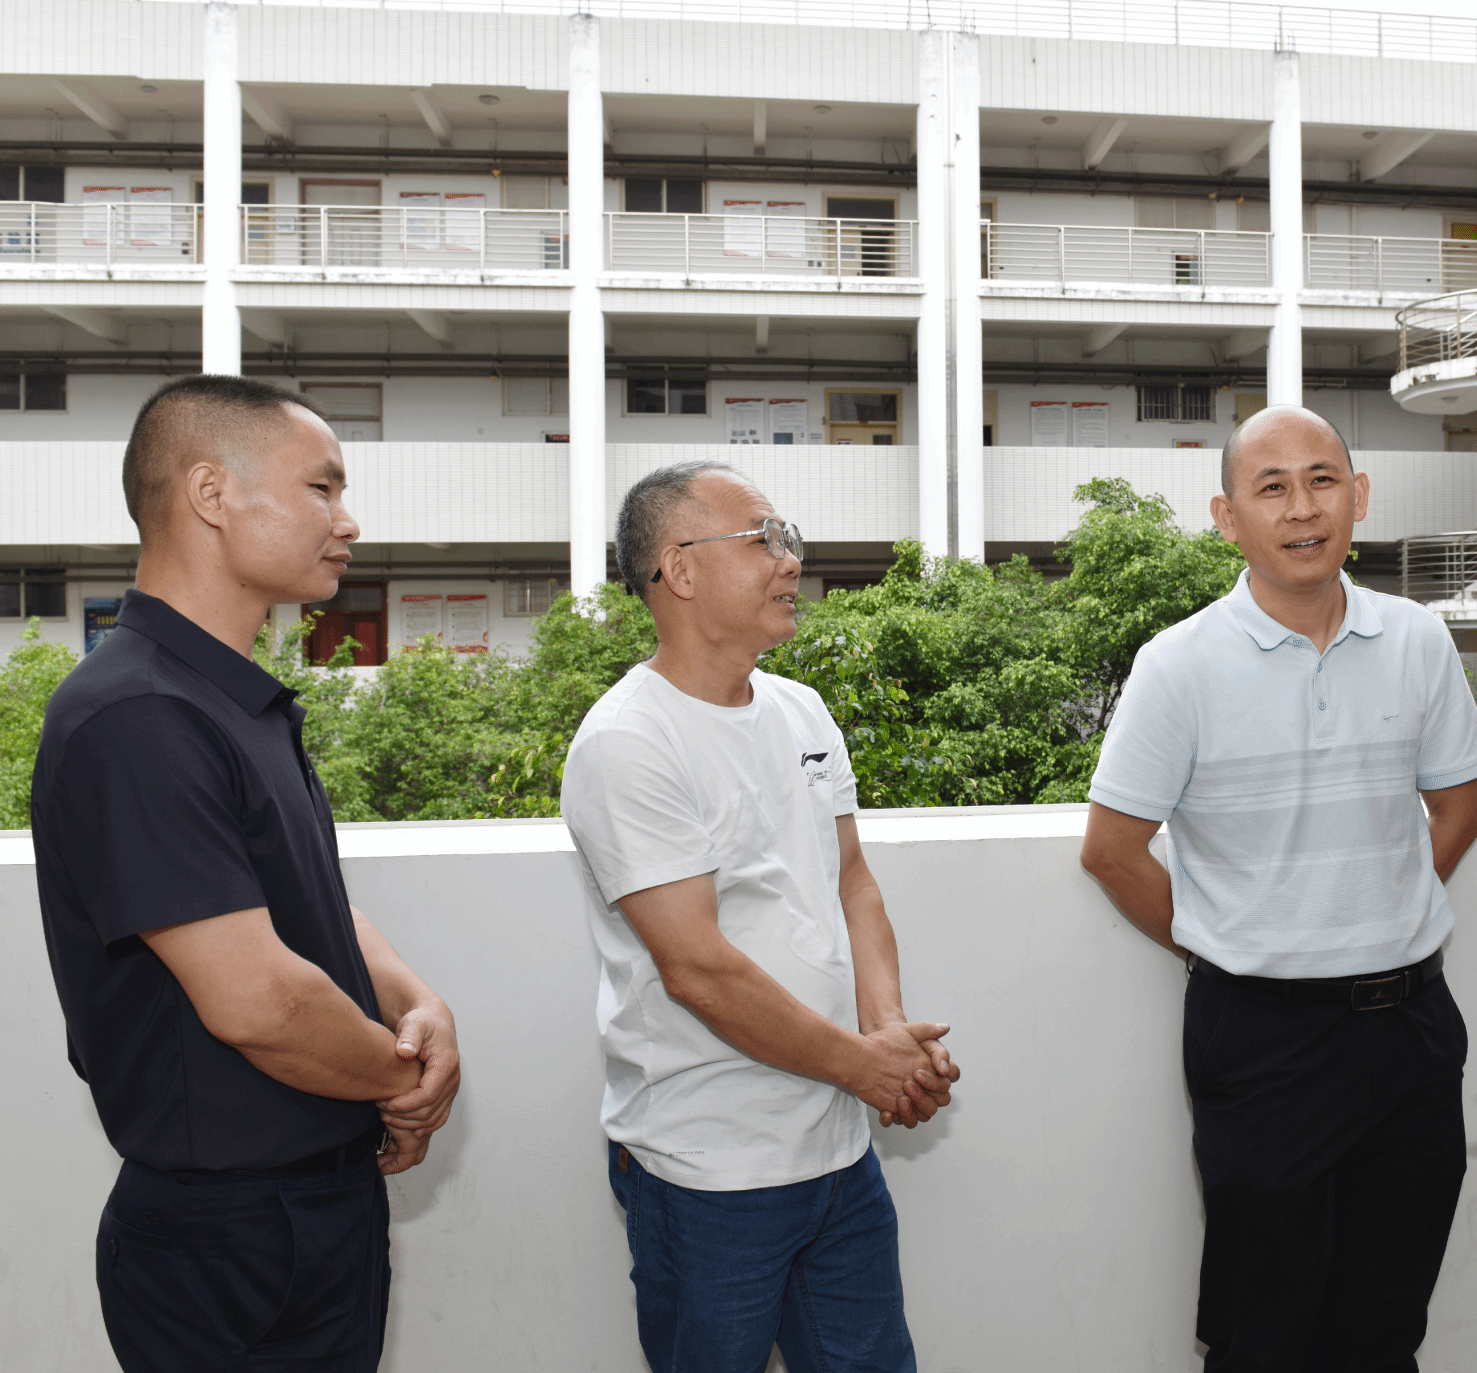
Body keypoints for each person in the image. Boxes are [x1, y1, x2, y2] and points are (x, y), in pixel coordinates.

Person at [31, 375, 463, 1372]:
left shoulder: (224, 699)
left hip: (307, 1205)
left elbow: (305, 901)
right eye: (321, 487)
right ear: (211, 493)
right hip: (228, 1238)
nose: (347, 521)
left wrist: (413, 997)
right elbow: (256, 1000)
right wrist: (401, 1079)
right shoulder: (140, 713)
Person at [1079, 406, 1477, 1373]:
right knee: (1263, 1334)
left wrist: (1376, 909)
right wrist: (1235, 939)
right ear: (1228, 518)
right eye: (1272, 487)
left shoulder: (1416, 638)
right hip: (1262, 1038)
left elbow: (1460, 809)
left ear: (1359, 496)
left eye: (1322, 479)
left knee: (1386, 1329)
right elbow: (1112, 850)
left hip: (1412, 1028)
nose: (1303, 508)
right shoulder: (1178, 664)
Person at [560, 459, 960, 1373]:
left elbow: (851, 881)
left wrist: (887, 1032)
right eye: (762, 540)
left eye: (788, 538)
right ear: (679, 569)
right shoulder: (627, 742)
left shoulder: (801, 710)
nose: (790, 561)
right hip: (711, 1168)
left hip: (837, 1149)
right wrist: (868, 1066)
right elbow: (697, 966)